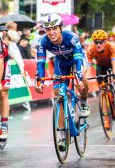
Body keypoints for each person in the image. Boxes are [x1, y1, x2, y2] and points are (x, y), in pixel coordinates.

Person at [34, 13, 89, 151]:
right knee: (58, 94)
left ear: (60, 28)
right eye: (48, 29)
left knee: (81, 77)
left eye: (54, 29)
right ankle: (63, 137)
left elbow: (78, 58)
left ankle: (83, 103)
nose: (51, 32)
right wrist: (40, 80)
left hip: (77, 59)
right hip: (61, 63)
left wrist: (78, 76)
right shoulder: (42, 42)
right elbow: (40, 63)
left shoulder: (72, 37)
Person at [86, 30, 115, 105]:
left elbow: (114, 64)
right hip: (100, 65)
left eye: (101, 42)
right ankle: (107, 103)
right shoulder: (90, 49)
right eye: (96, 42)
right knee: (102, 86)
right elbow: (89, 67)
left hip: (111, 62)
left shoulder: (110, 46)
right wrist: (86, 78)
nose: (98, 45)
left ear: (105, 41)